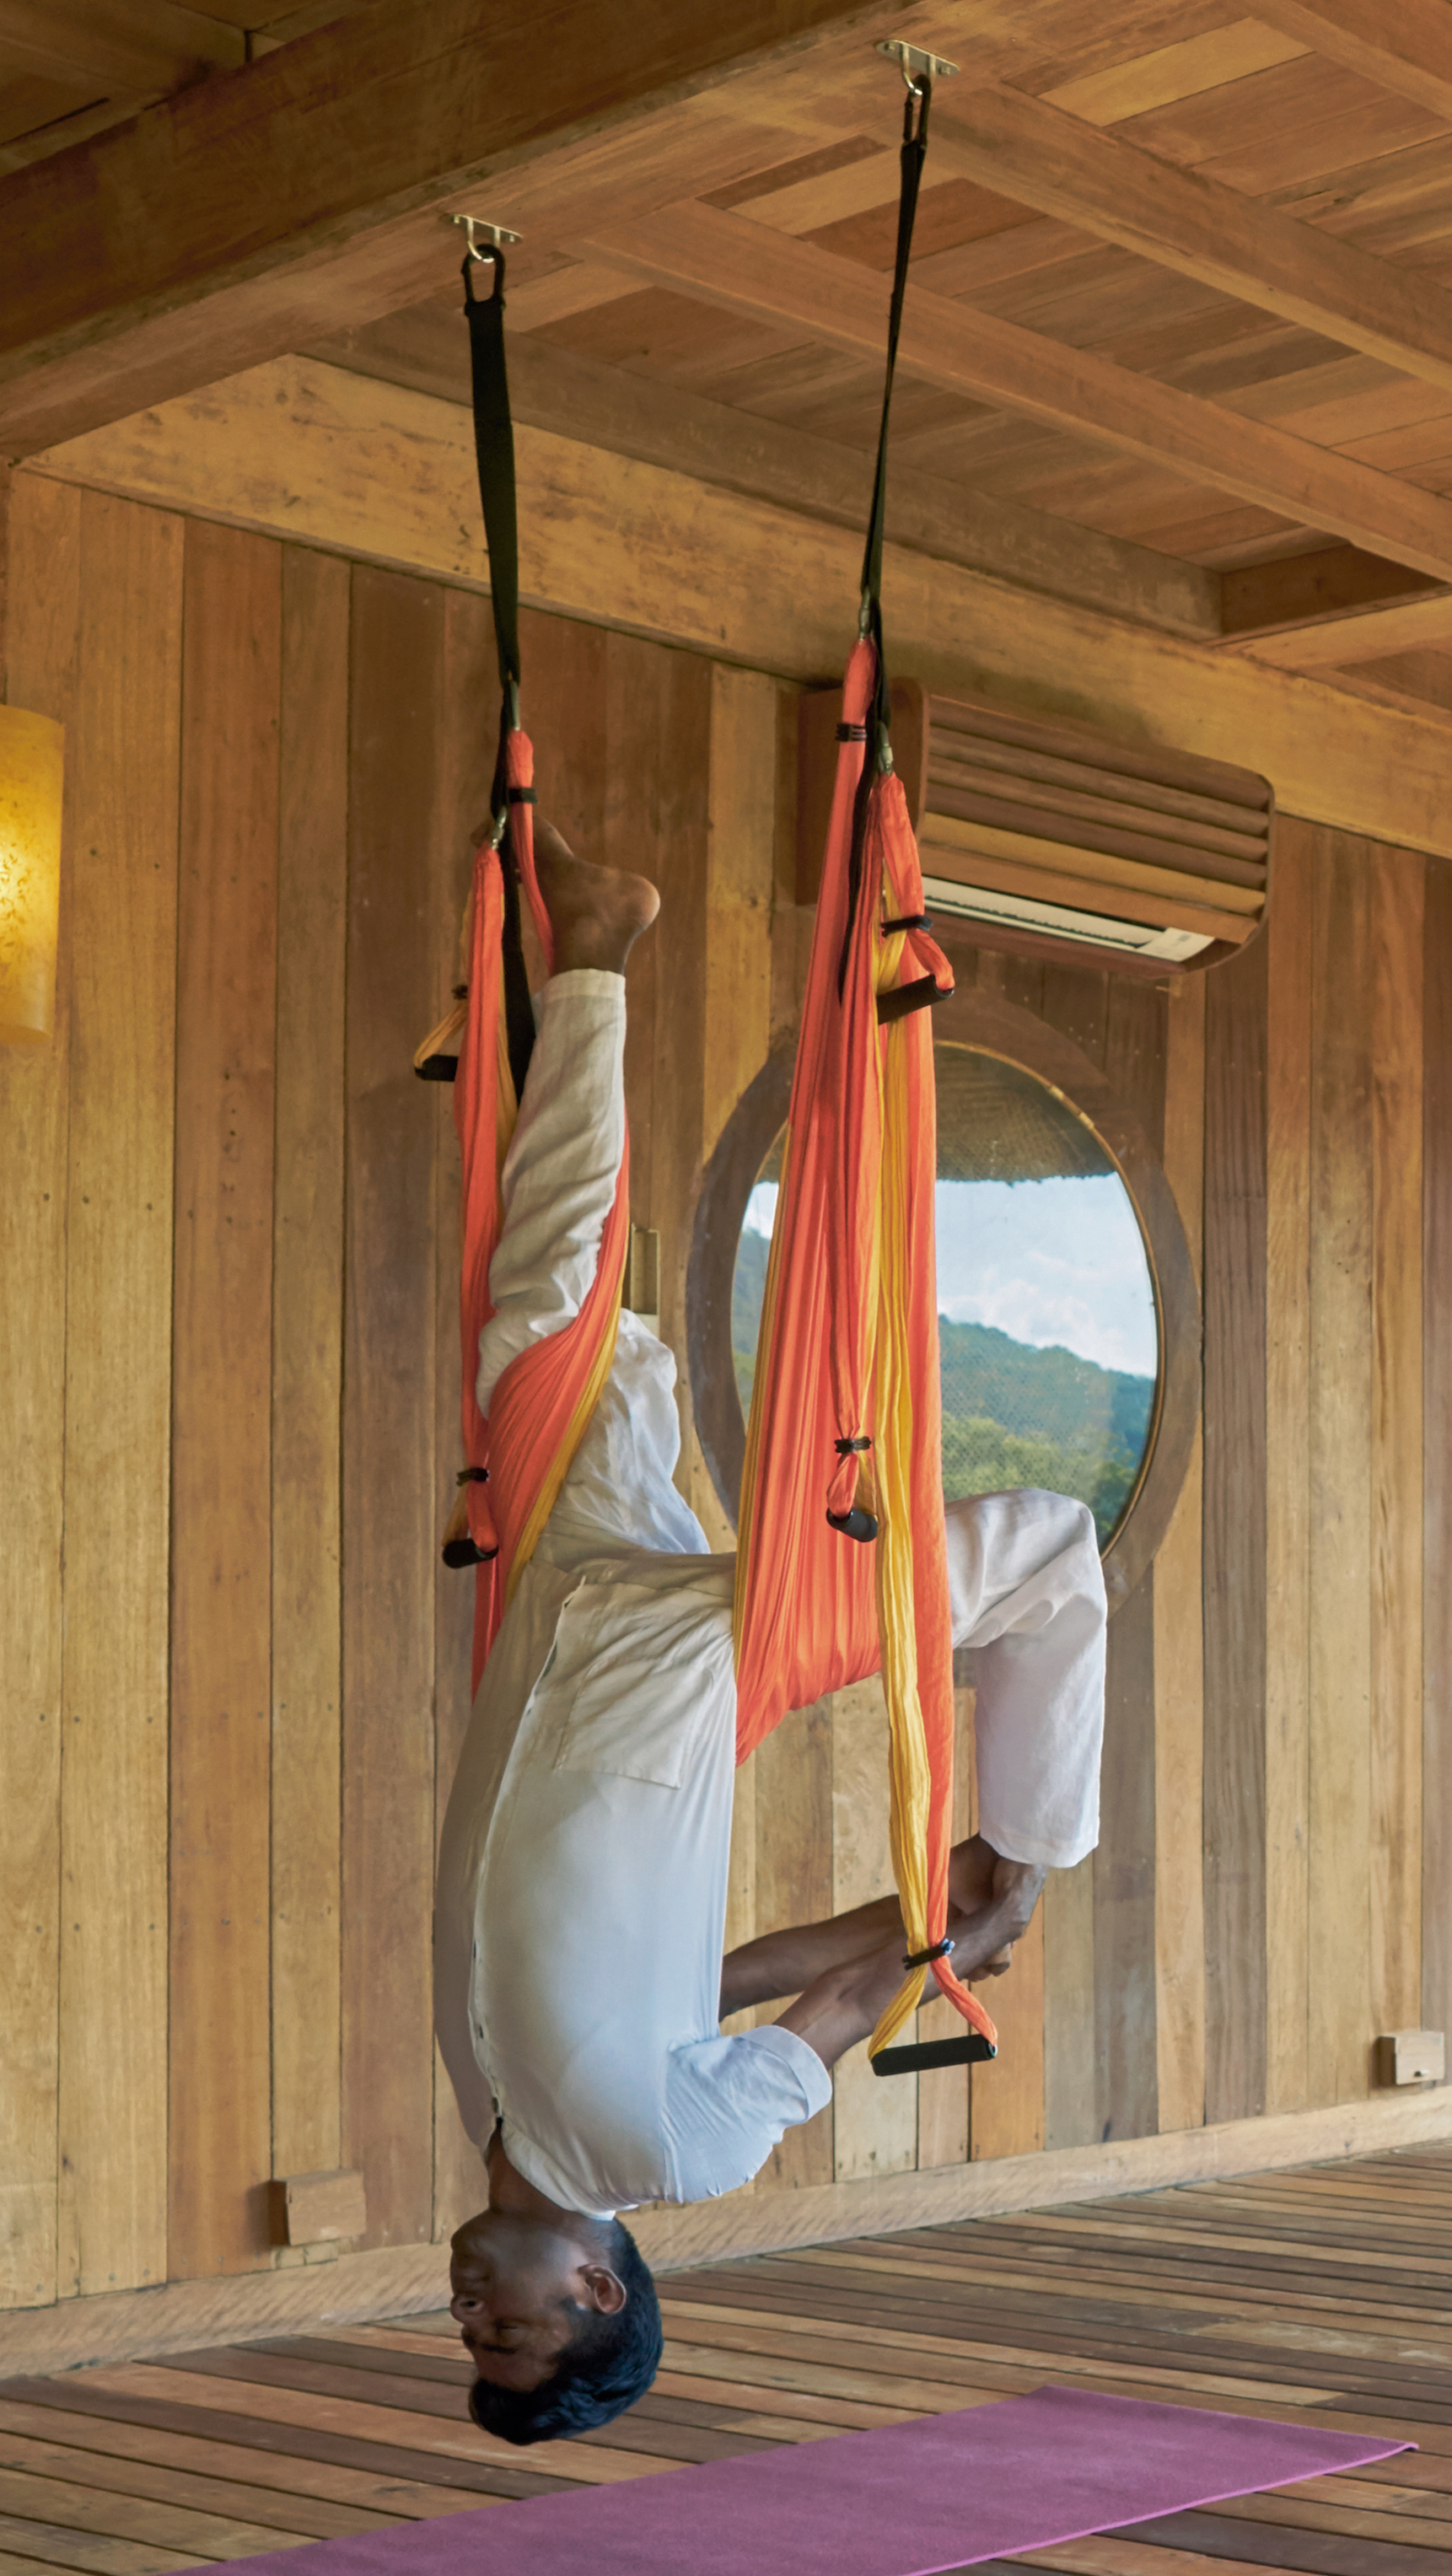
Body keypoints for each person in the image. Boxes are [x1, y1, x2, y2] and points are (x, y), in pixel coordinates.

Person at [434, 826, 1109, 2443]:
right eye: (512, 2341)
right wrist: (954, 1918)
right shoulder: (678, 2156)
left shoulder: (494, 2102)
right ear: (598, 2292)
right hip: (668, 1690)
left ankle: (592, 952)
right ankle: (1035, 1829)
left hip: (551, 1629)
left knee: (541, 1336)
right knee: (1045, 1550)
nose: (472, 2319)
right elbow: (815, 2021)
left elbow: (700, 1978)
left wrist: (899, 1927)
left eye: (465, 2343)